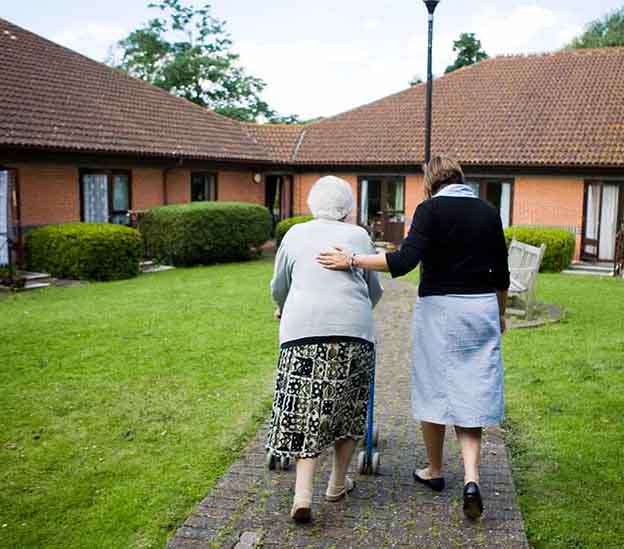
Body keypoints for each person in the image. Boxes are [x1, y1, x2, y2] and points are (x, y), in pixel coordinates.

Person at [317, 156, 510, 520]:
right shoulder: (488, 211)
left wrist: (353, 259)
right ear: (460, 179)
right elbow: (501, 273)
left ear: (430, 181)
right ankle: (471, 478)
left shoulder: (429, 210)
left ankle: (434, 470)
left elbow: (404, 261)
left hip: (440, 310)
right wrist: (499, 313)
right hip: (480, 309)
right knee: (471, 390)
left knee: (435, 385)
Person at [268, 175, 383, 523]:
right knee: (347, 410)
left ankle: (302, 495)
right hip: (353, 334)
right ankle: (335, 484)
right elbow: (374, 289)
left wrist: (282, 306)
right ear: (349, 209)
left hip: (302, 333)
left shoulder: (294, 234)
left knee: (305, 411)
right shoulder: (359, 235)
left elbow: (279, 286)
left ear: (311, 205)